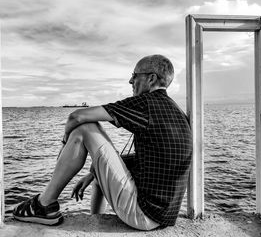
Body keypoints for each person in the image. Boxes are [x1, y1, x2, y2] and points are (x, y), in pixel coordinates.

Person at [13, 54, 192, 230]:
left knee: (85, 128)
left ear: (151, 78)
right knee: (99, 168)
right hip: (164, 216)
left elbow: (76, 116)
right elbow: (156, 160)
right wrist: (93, 172)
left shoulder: (146, 103)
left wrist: (64, 143)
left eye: (135, 75)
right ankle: (95, 221)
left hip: (143, 215)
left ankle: (44, 204)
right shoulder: (176, 111)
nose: (131, 81)